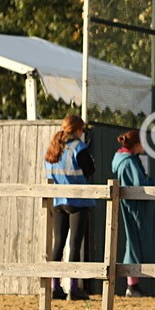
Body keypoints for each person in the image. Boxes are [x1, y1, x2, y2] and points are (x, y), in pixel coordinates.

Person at [111, 129, 155, 297]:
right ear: (136, 144)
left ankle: (133, 284)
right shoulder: (128, 162)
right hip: (137, 207)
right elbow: (141, 184)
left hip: (134, 205)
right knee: (135, 242)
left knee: (134, 243)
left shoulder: (128, 159)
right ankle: (133, 285)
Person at [43, 114, 95, 300]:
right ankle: (73, 287)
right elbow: (90, 170)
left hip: (58, 200)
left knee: (58, 243)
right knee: (74, 244)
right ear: (78, 130)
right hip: (78, 200)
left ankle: (55, 286)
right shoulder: (78, 148)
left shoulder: (53, 147)